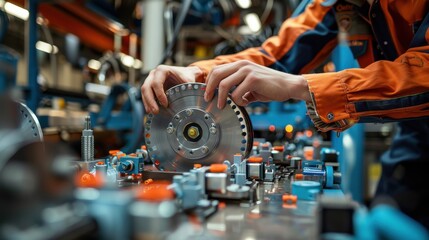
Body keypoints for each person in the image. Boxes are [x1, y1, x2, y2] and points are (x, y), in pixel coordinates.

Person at [142, 0, 429, 227]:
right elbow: (279, 53)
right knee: (391, 211)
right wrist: (199, 73)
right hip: (415, 133)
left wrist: (301, 86)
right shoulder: (337, 3)